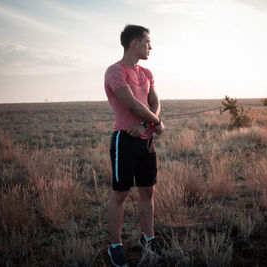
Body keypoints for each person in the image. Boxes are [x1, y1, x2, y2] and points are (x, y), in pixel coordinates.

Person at [104, 24, 165, 267]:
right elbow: (131, 104)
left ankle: (148, 239)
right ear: (134, 43)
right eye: (148, 42)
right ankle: (115, 246)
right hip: (125, 140)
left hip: (146, 140)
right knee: (120, 194)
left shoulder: (147, 73)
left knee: (147, 192)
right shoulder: (115, 71)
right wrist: (157, 122)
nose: (151, 47)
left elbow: (155, 101)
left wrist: (148, 124)